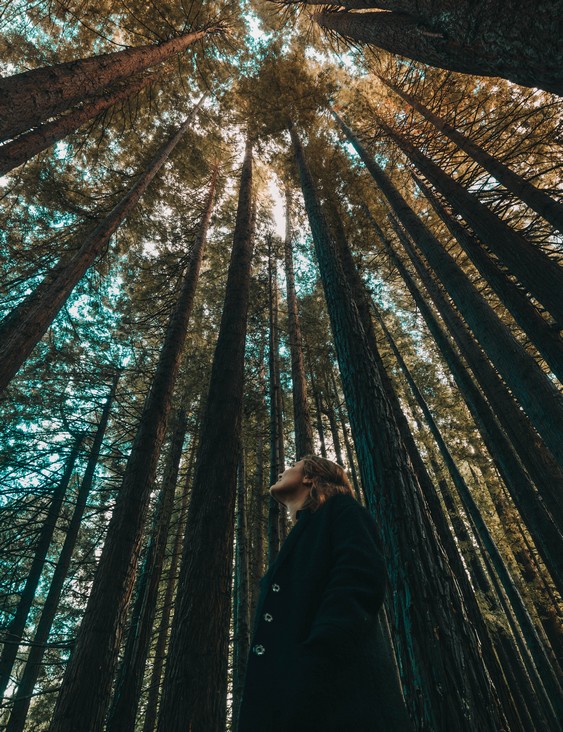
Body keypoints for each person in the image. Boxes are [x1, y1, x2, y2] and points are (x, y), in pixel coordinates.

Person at [237, 455, 412, 732]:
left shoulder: (342, 510)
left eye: (292, 467)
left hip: (340, 697)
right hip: (297, 699)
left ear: (309, 477)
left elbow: (358, 579)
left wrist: (319, 653)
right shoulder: (304, 533)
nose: (283, 470)